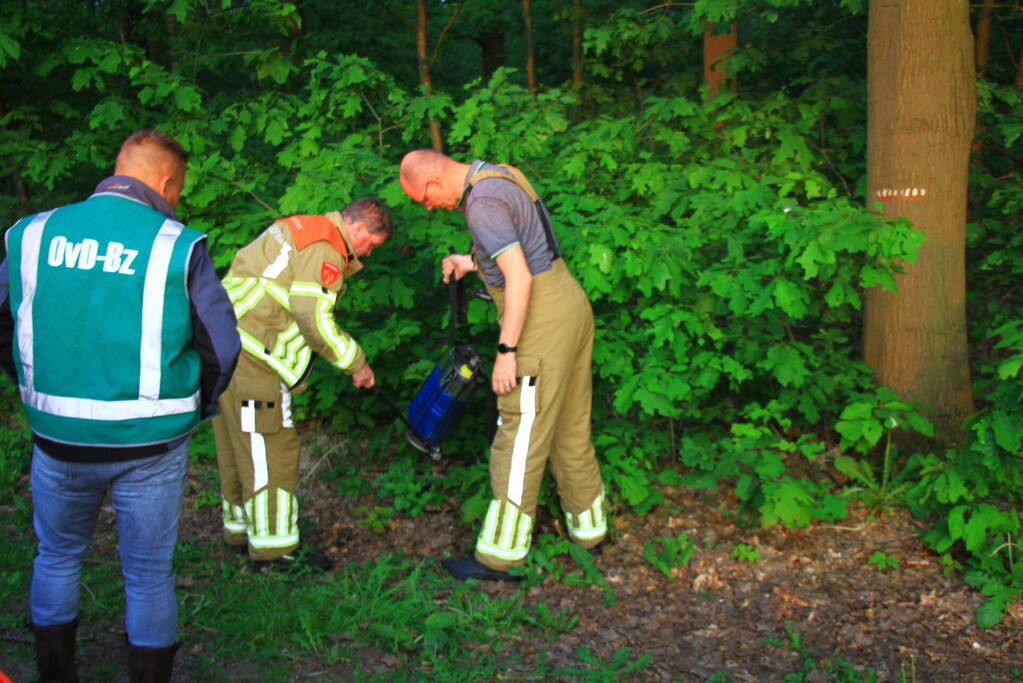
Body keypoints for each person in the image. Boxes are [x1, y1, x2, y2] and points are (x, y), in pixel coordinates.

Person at [0, 129, 241, 682]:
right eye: (176, 191)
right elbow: (221, 346)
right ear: (164, 183)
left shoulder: (33, 234)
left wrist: (35, 386)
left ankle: (56, 675)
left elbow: (3, 319)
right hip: (150, 443)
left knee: (56, 556)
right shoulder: (177, 244)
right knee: (149, 574)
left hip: (57, 436)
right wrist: (196, 405)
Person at [399, 150, 606, 581]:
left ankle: (500, 556)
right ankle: (591, 534)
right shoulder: (499, 176)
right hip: (571, 305)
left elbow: (521, 277)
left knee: (518, 435)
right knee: (569, 426)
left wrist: (507, 351)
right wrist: (469, 262)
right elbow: (522, 251)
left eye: (422, 199)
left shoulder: (482, 204)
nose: (427, 207)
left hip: (542, 321)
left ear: (434, 184)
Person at [212, 198, 392, 571]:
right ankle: (275, 551)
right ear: (358, 228)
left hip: (223, 337)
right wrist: (356, 364)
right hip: (255, 350)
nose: (367, 255)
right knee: (271, 445)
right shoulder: (325, 246)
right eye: (371, 245)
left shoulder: (300, 226)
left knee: (238, 444)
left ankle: (242, 530)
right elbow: (314, 315)